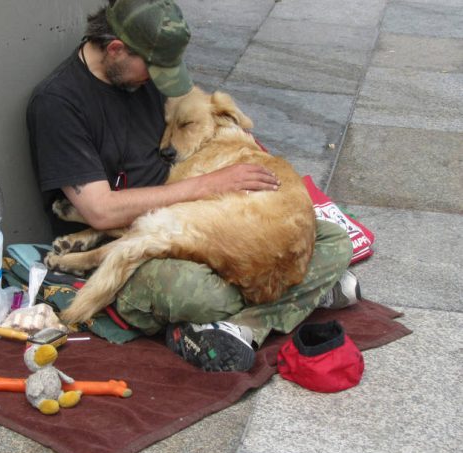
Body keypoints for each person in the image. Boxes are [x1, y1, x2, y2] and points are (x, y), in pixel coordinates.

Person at [26, 0, 360, 372]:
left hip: (201, 218)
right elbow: (100, 210)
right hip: (130, 241)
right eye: (153, 70)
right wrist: (209, 185)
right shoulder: (59, 104)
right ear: (116, 50)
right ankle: (284, 305)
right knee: (198, 292)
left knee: (330, 238)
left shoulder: (142, 78)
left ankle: (247, 322)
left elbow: (198, 124)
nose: (158, 82)